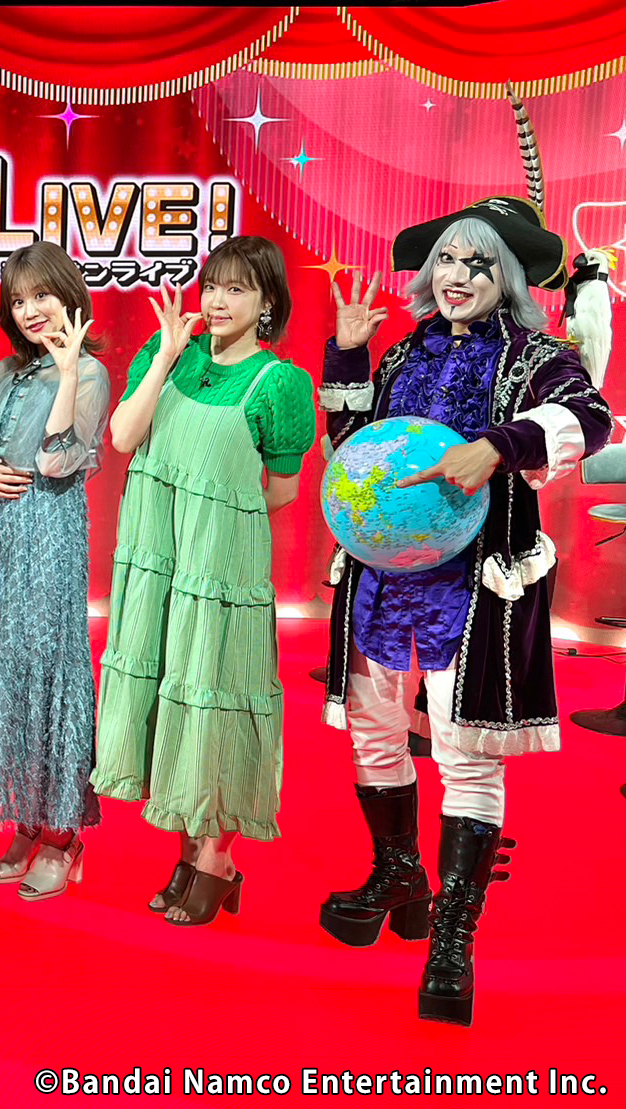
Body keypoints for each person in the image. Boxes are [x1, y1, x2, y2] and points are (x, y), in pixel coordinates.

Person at [317, 196, 612, 1025]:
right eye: (446, 259)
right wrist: (348, 354)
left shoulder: (535, 357)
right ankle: (398, 871)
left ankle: (452, 935)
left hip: (475, 584)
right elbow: (352, 450)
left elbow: (588, 417)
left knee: (465, 754)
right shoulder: (405, 351)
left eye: (477, 264)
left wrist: (499, 445)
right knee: (375, 730)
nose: (455, 276)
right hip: (383, 578)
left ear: (507, 276)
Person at [93, 236, 315, 926]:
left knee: (215, 696)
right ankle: (189, 853)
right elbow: (122, 437)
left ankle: (215, 860)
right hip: (157, 558)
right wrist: (163, 354)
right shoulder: (171, 355)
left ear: (267, 302)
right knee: (174, 691)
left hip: (218, 570)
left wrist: (215, 519)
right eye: (212, 285)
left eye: (237, 289)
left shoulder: (278, 382)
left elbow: (282, 488)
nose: (217, 301)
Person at [0, 240, 110, 901]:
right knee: (3, 677)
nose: (29, 310)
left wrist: (68, 369)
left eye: (41, 295)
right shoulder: (2, 371)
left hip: (47, 540)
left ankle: (62, 834)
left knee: (46, 677)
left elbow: (56, 459)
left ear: (70, 295)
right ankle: (25, 821)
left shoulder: (91, 373)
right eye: (18, 300)